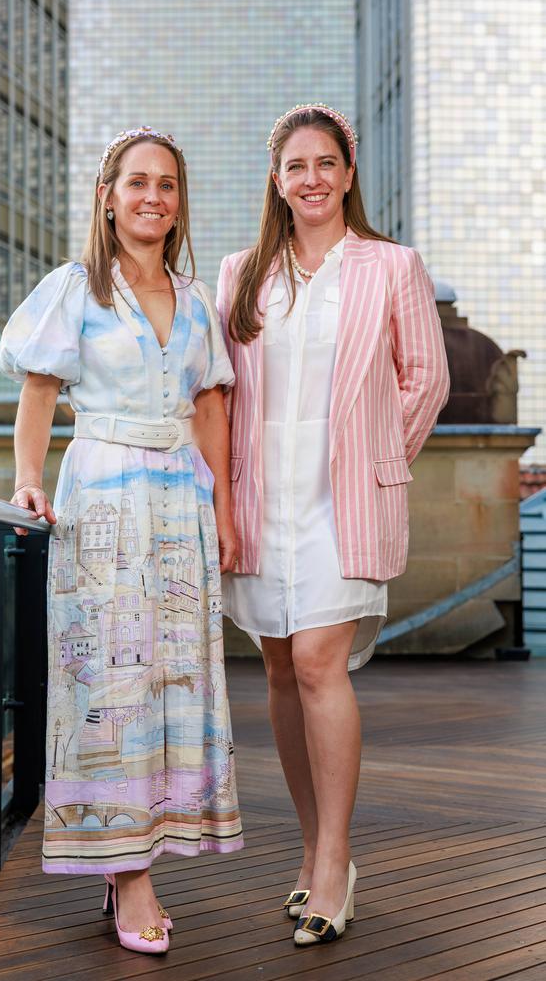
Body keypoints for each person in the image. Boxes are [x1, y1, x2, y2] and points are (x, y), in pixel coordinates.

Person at [0, 126, 243, 956]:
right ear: (108, 195)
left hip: (180, 502)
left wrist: (226, 510)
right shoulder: (75, 289)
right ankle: (130, 874)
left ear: (179, 202)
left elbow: (210, 407)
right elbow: (37, 390)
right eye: (136, 182)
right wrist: (28, 476)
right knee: (107, 679)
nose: (152, 197)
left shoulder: (198, 297)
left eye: (167, 184)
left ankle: (134, 857)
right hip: (102, 489)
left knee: (169, 682)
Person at [217, 104, 449, 947]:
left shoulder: (391, 266)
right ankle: (316, 851)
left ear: (348, 173)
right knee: (281, 667)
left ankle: (335, 858)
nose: (310, 179)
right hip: (259, 493)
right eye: (295, 167)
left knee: (320, 661)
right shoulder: (243, 273)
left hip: (341, 497)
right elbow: (223, 392)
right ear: (276, 181)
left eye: (325, 163)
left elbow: (423, 377)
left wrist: (376, 458)